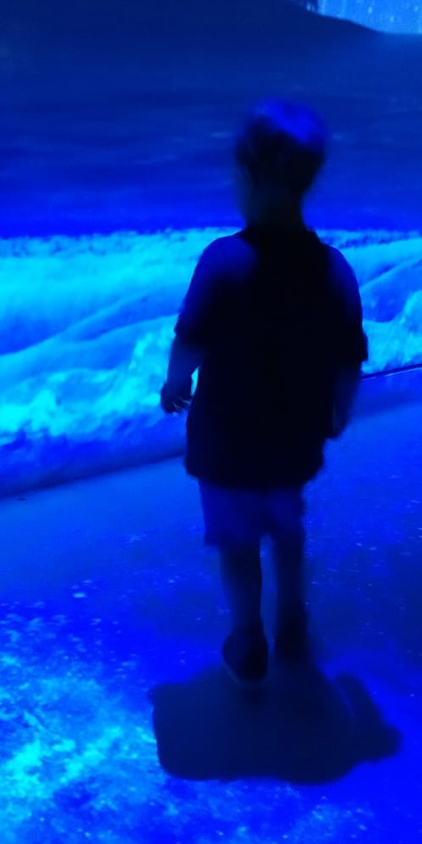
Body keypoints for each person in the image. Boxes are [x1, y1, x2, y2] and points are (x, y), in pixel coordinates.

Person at [160, 100, 368, 686]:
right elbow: (349, 361)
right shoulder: (335, 270)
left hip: (227, 448)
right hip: (294, 442)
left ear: (246, 178)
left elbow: (190, 342)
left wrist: (174, 385)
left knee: (237, 544)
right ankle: (293, 617)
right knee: (286, 528)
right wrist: (339, 416)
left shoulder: (224, 261)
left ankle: (248, 636)